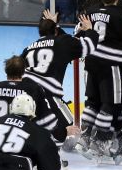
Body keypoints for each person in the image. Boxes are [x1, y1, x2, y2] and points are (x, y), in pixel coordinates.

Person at [22, 10, 98, 145]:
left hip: (26, 92)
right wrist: (90, 30)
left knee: (41, 123)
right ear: (55, 31)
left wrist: (55, 25)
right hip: (47, 93)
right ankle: (53, 150)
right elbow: (88, 47)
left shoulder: (28, 48)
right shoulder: (62, 42)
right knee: (67, 125)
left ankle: (47, 145)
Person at [79, 0, 122, 162]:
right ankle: (100, 140)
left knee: (93, 102)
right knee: (110, 103)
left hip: (91, 62)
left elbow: (79, 33)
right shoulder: (121, 15)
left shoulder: (91, 11)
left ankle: (85, 137)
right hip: (112, 64)